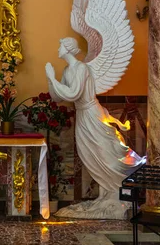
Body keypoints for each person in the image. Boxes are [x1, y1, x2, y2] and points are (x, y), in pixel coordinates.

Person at [45, 38, 145, 220]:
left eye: (60, 45)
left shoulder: (81, 69)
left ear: (67, 48)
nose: (58, 48)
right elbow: (57, 97)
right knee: (90, 156)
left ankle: (119, 193)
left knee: (105, 154)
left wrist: (52, 77)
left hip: (92, 114)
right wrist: (50, 81)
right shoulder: (68, 70)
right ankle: (106, 194)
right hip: (83, 116)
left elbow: (73, 93)